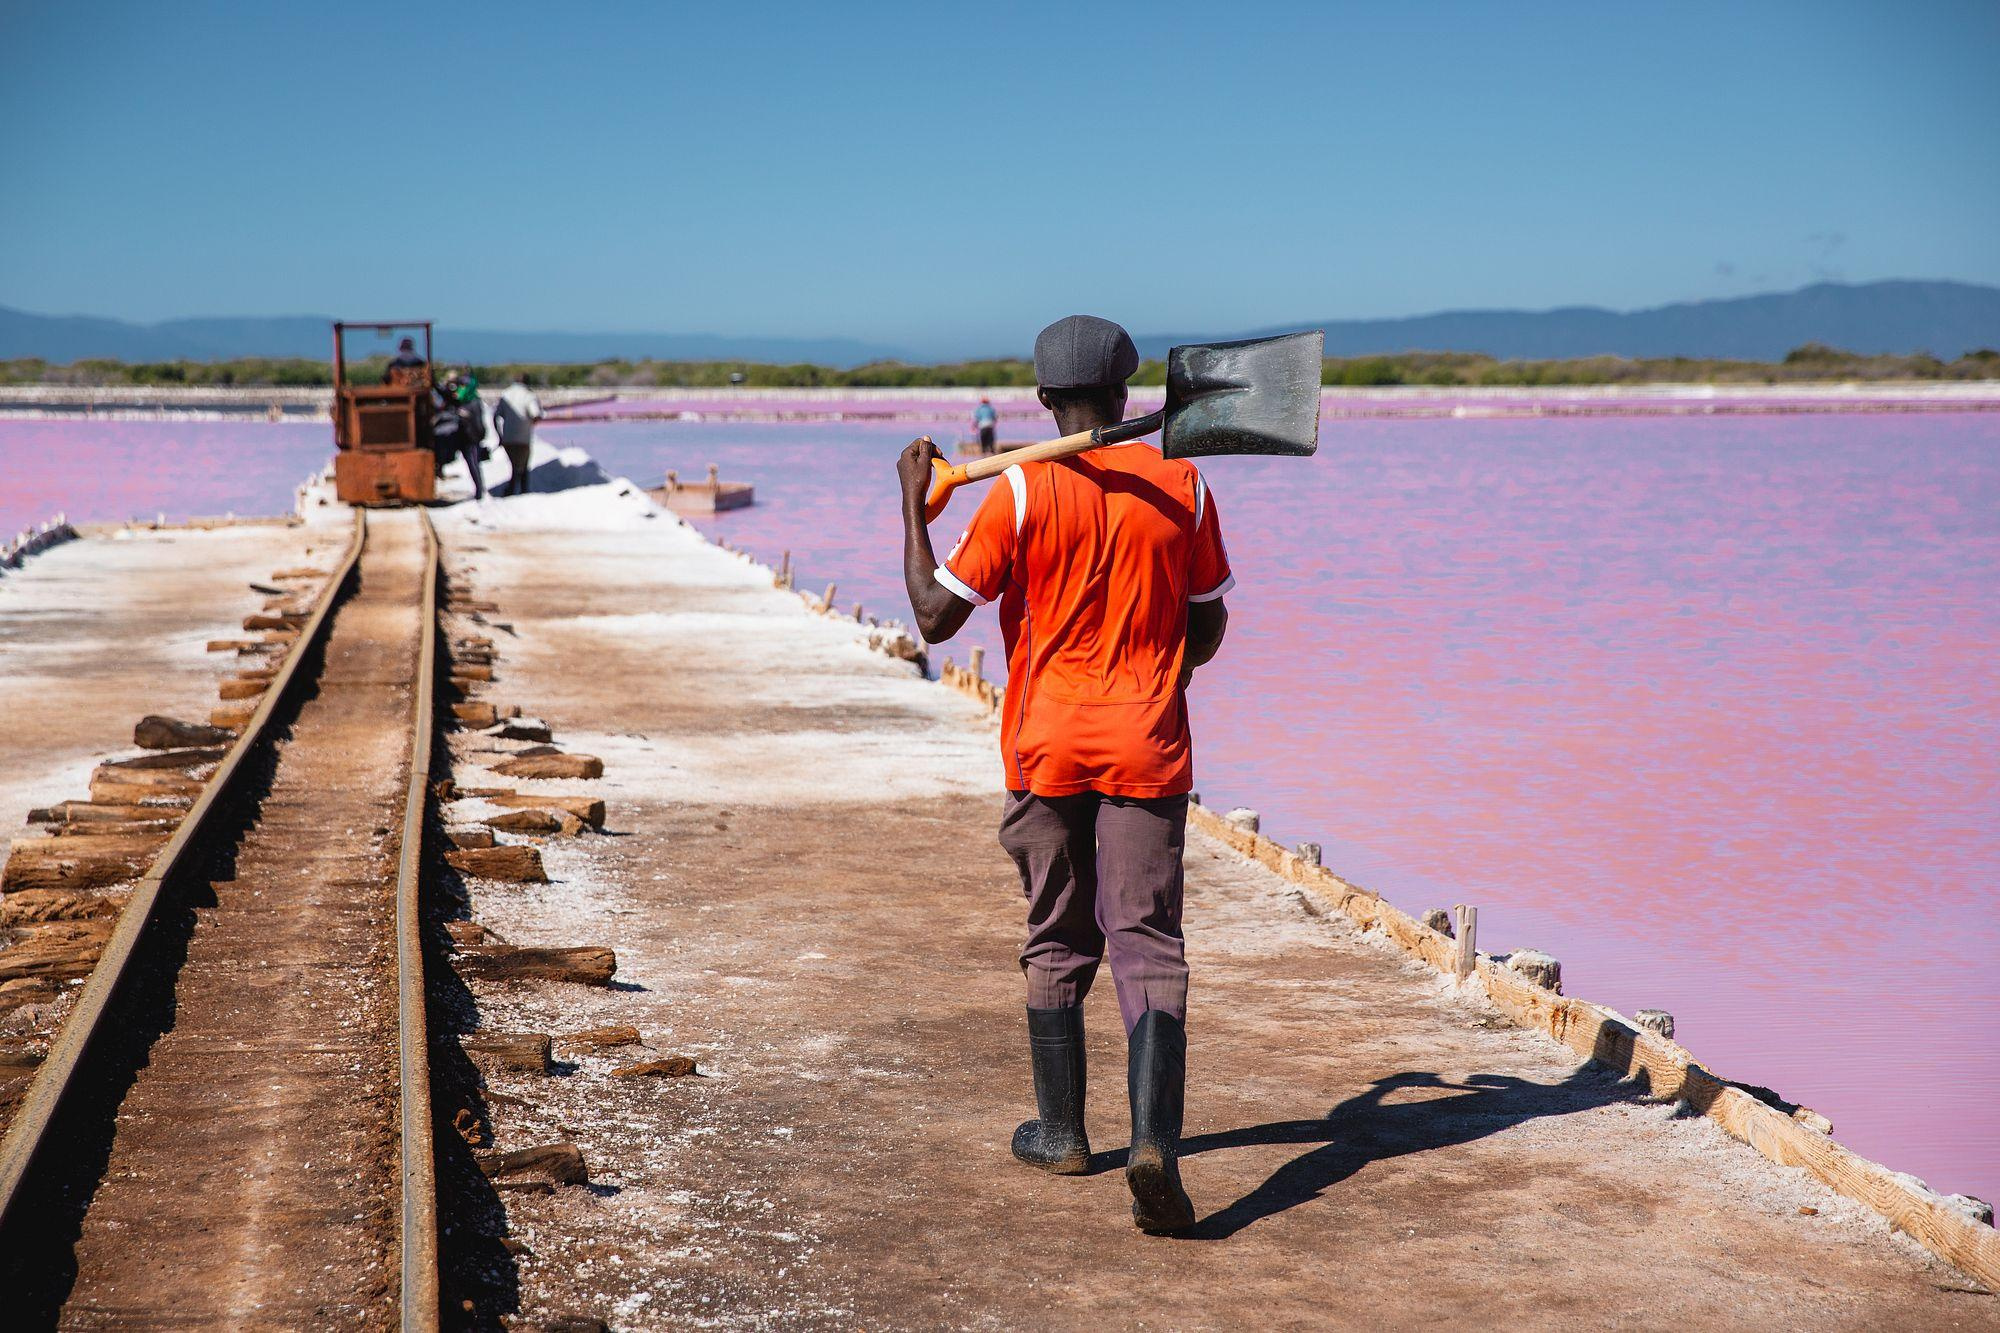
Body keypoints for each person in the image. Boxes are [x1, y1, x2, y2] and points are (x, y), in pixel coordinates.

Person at [897, 314, 1232, 1234]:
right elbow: (1205, 626)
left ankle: (1063, 1130)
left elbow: (933, 617)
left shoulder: (1018, 491)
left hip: (1047, 749)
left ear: (1043, 401)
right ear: (1125, 398)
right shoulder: (1184, 485)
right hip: (1149, 748)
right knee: (1148, 943)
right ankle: (1155, 1142)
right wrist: (1155, 670)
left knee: (1058, 936)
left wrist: (908, 506)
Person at [493, 376, 545, 496]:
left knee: (515, 465)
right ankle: (520, 491)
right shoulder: (529, 395)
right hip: (523, 438)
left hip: (508, 438)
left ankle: (514, 491)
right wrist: (529, 425)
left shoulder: (505, 394)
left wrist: (499, 435)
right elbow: (536, 414)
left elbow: (496, 416)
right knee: (522, 466)